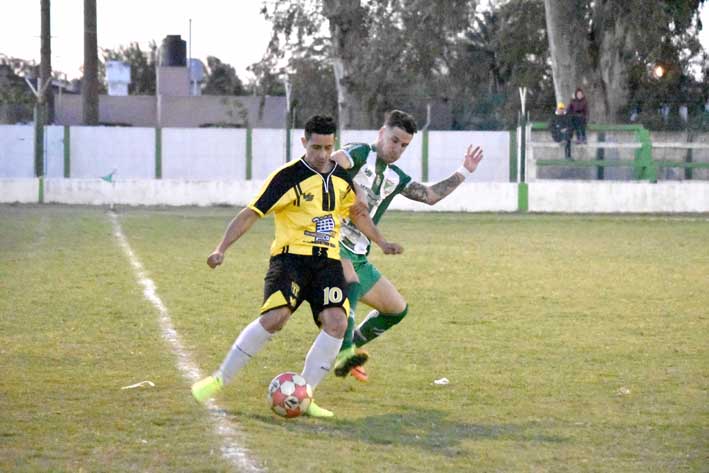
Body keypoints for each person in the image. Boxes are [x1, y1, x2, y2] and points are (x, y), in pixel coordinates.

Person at [190, 115, 402, 418]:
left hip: (327, 261)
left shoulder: (342, 177)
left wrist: (381, 242)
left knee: (337, 323)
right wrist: (221, 248)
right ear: (304, 142)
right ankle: (219, 378)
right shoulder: (287, 176)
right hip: (290, 260)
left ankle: (306, 394)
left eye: (328, 147)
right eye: (316, 147)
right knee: (275, 318)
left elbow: (357, 213)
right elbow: (251, 213)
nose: (323, 154)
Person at [328, 109, 484, 382]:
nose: (397, 148)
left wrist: (464, 171)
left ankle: (350, 345)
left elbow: (431, 195)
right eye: (394, 140)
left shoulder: (395, 177)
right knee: (348, 297)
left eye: (404, 145)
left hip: (359, 256)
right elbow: (331, 162)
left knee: (396, 309)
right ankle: (344, 354)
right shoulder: (360, 153)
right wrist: (354, 187)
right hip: (330, 247)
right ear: (381, 133)